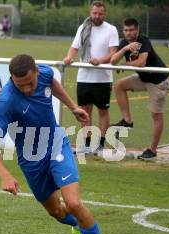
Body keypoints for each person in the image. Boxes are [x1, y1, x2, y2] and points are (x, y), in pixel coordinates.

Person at [0, 54, 113, 234]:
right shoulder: (6, 101)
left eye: (30, 83)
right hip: (31, 161)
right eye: (19, 85)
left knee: (73, 202)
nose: (26, 89)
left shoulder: (44, 72)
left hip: (56, 144)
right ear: (11, 78)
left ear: (36, 72)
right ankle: (78, 225)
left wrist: (72, 106)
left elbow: (52, 82)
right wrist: (4, 175)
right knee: (56, 211)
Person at [110, 18, 169, 160]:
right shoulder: (124, 43)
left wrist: (125, 65)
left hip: (159, 81)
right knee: (119, 85)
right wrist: (125, 49)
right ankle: (127, 121)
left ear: (137, 30)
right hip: (144, 79)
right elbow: (113, 61)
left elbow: (141, 62)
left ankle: (152, 150)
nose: (128, 33)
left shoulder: (143, 40)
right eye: (126, 30)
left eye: (131, 30)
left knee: (156, 115)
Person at [63, 1, 118, 155]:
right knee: (84, 111)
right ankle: (86, 145)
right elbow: (74, 47)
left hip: (103, 78)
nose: (97, 16)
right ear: (90, 12)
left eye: (100, 13)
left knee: (103, 111)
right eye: (94, 13)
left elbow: (114, 52)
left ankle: (100, 145)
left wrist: (100, 61)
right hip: (84, 77)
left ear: (104, 14)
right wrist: (69, 57)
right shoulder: (83, 27)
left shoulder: (111, 30)